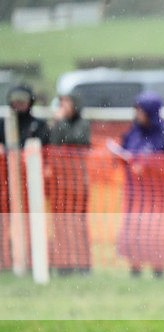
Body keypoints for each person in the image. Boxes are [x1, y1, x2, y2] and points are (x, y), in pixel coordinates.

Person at [114, 91, 164, 278]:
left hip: (158, 195)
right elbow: (125, 149)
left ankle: (158, 268)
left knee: (156, 230)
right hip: (135, 194)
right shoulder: (133, 132)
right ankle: (135, 267)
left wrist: (147, 165)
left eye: (140, 110)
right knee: (134, 229)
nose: (137, 114)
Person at [0, 84, 50, 271]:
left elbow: (45, 150)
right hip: (5, 184)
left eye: (22, 100)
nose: (18, 104)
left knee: (32, 223)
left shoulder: (38, 125)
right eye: (16, 100)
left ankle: (31, 259)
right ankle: (5, 260)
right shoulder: (3, 124)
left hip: (31, 185)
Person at [48, 93, 92, 275]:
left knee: (78, 224)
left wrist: (62, 122)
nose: (63, 107)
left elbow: (75, 140)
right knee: (61, 224)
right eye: (61, 104)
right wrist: (58, 123)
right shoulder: (57, 124)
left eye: (66, 104)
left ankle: (83, 264)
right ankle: (63, 263)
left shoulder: (82, 124)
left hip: (77, 182)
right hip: (60, 182)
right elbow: (54, 143)